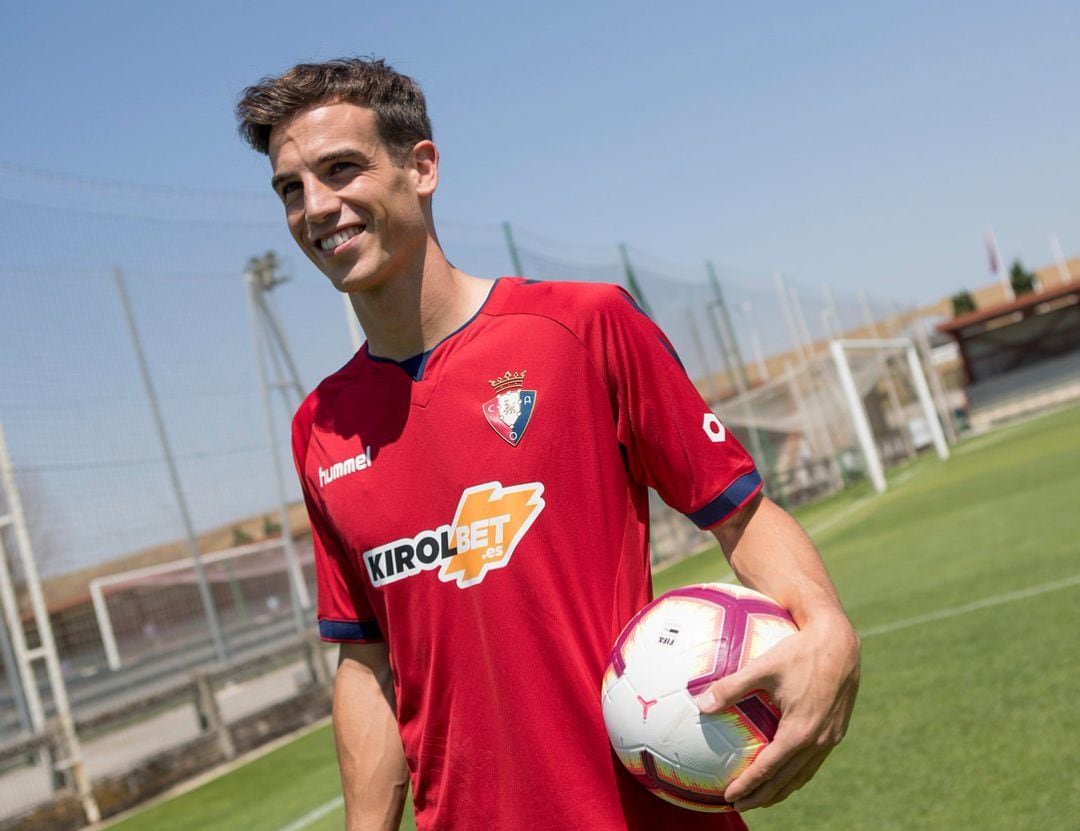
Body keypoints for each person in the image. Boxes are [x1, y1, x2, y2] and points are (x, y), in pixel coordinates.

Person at [235, 57, 860, 831]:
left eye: (340, 170)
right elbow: (366, 662)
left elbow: (738, 510)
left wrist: (827, 625)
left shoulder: (582, 326)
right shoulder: (321, 427)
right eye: (291, 189)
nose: (315, 207)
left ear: (421, 167)